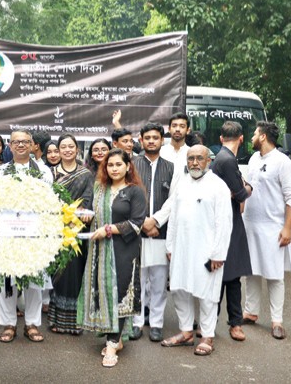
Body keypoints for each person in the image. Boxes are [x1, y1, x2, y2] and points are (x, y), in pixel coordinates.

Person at [161, 145, 233, 357]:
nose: (194, 163)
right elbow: (173, 218)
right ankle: (186, 332)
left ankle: (207, 336)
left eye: (199, 158)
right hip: (181, 249)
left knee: (207, 294)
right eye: (190, 158)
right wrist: (170, 246)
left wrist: (218, 253)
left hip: (207, 252)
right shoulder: (182, 184)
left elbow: (224, 223)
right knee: (179, 289)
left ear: (208, 161)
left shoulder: (218, 186)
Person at [77, 148, 146, 367]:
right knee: (105, 293)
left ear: (128, 166)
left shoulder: (134, 191)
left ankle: (111, 346)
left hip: (124, 250)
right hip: (100, 250)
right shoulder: (100, 188)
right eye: (110, 165)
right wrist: (86, 216)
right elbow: (92, 215)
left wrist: (108, 229)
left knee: (120, 295)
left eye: (118, 164)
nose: (114, 169)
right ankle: (115, 340)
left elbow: (136, 223)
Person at [0, 129, 52, 344]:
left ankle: (32, 324)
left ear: (32, 145)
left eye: (25, 142)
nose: (20, 145)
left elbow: (49, 200)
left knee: (35, 279)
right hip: (8, 232)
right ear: (10, 145)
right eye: (16, 142)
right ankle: (9, 324)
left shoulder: (43, 171)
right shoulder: (0, 172)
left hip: (34, 233)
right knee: (7, 280)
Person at [242, 121, 291, 340]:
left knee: (275, 275)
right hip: (251, 224)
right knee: (251, 271)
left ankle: (277, 321)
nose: (252, 137)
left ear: (263, 136)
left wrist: (287, 228)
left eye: (255, 133)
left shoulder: (283, 162)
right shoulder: (253, 159)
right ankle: (250, 312)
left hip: (273, 226)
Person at [130, 122, 178, 343]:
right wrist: (142, 223)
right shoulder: (131, 165)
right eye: (147, 138)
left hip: (160, 232)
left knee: (158, 281)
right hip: (136, 232)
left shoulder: (172, 167)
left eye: (155, 138)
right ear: (141, 140)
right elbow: (127, 195)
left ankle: (157, 323)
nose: (151, 141)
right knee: (138, 280)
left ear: (162, 140)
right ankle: (137, 322)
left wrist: (156, 221)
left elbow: (174, 199)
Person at [209, 121, 253, 341]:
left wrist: (240, 189)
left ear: (221, 138)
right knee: (226, 277)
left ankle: (225, 323)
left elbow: (236, 192)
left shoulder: (222, 158)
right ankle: (226, 324)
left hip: (228, 221)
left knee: (230, 276)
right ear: (241, 138)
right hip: (226, 223)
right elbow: (242, 194)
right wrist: (248, 187)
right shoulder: (227, 160)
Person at [48, 134, 94, 335]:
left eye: (71, 146)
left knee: (74, 275)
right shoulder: (50, 173)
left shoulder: (86, 174)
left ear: (77, 150)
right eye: (63, 147)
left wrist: (75, 217)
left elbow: (88, 199)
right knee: (56, 275)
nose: (67, 150)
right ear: (58, 150)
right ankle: (56, 320)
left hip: (77, 230)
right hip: (55, 229)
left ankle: (75, 322)